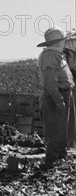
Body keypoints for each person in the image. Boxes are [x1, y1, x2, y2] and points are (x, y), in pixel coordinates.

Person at [37, 28, 75, 169]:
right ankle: (51, 160)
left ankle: (59, 157)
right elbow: (49, 81)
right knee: (54, 129)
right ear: (59, 41)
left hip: (62, 92)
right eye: (64, 39)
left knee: (62, 128)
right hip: (55, 94)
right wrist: (58, 99)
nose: (66, 41)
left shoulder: (57, 54)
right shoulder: (50, 56)